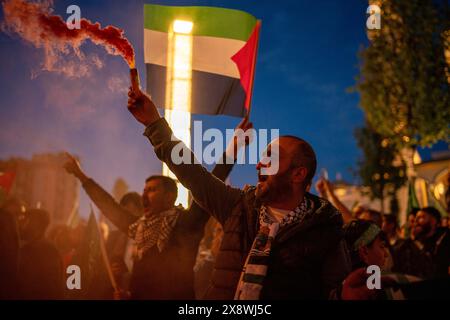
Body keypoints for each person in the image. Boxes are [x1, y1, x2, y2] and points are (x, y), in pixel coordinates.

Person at [126, 87, 351, 299]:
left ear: (298, 174)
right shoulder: (239, 208)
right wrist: (155, 124)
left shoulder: (325, 233)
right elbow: (193, 173)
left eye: (271, 157)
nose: (259, 164)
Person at [63, 119, 250, 299]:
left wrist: (232, 150)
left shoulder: (187, 223)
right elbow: (109, 206)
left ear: (169, 196)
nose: (144, 195)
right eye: (144, 190)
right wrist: (81, 176)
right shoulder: (139, 228)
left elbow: (209, 186)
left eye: (152, 190)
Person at [17, 209, 64, 299]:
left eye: (26, 219)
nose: (22, 223)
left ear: (36, 224)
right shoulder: (26, 247)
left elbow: (51, 286)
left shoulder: (48, 250)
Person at [413, 207, 450, 278]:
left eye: (421, 217)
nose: (416, 221)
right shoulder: (414, 243)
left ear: (433, 220)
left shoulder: (446, 238)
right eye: (416, 218)